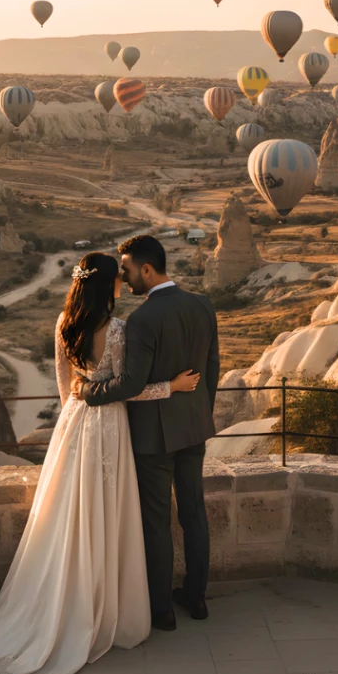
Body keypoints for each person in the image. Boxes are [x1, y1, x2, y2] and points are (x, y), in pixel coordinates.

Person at [0, 251, 200, 674]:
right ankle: (105, 609)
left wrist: (80, 410)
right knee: (109, 514)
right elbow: (130, 390)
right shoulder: (120, 330)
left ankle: (63, 605)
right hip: (109, 428)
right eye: (118, 278)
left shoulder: (63, 323)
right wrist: (173, 386)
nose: (123, 282)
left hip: (73, 428)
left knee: (68, 515)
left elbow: (66, 389)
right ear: (109, 284)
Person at [73, 235, 220, 631]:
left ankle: (162, 611)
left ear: (147, 270)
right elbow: (212, 370)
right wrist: (200, 416)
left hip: (154, 438)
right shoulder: (203, 305)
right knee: (194, 514)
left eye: (128, 269)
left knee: (156, 523)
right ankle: (197, 598)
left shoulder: (141, 320)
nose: (125, 277)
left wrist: (89, 391)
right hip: (194, 429)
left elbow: (130, 384)